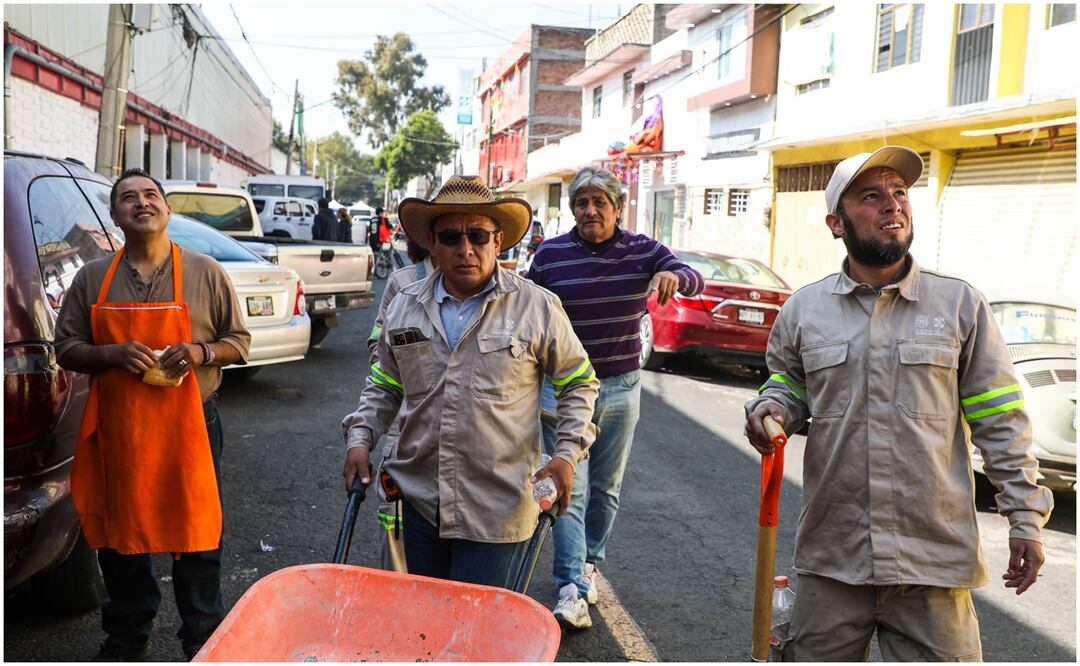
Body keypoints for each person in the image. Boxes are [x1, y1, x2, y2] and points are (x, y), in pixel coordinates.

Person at [743, 146, 1054, 661]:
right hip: (834, 559)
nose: (893, 204)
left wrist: (1025, 517)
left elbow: (1001, 421)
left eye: (900, 192)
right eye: (871, 196)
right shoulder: (803, 310)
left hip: (932, 560)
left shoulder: (959, 305)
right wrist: (770, 409)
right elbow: (788, 387)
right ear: (837, 224)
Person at [341, 175, 599, 588]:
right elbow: (385, 382)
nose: (465, 249)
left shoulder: (537, 307)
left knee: (480, 627)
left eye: (478, 236)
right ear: (432, 243)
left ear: (498, 241)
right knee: (422, 620)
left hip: (497, 512)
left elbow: (579, 383)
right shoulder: (403, 306)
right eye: (451, 237)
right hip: (418, 505)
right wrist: (360, 438)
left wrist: (566, 454)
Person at [54, 168, 251, 661]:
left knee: (198, 533)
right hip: (122, 428)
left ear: (167, 208)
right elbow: (67, 348)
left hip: (194, 426)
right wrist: (112, 353)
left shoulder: (205, 272)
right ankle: (127, 636)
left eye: (150, 194)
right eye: (128, 198)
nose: (141, 202)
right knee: (122, 537)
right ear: (114, 215)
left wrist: (200, 352)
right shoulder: (92, 278)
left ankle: (203, 640)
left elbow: (239, 342)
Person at [526, 166, 704, 629]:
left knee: (606, 488)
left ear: (618, 207)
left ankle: (588, 564)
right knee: (570, 486)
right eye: (581, 203)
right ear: (572, 210)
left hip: (622, 387)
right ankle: (570, 587)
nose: (590, 210)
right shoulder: (550, 255)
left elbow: (692, 276)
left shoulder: (643, 250)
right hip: (563, 390)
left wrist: (672, 276)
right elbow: (527, 311)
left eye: (599, 202)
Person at [365, 237, 437, 573]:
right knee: (395, 527)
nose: (464, 247)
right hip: (404, 429)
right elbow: (378, 348)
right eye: (449, 235)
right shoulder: (402, 283)